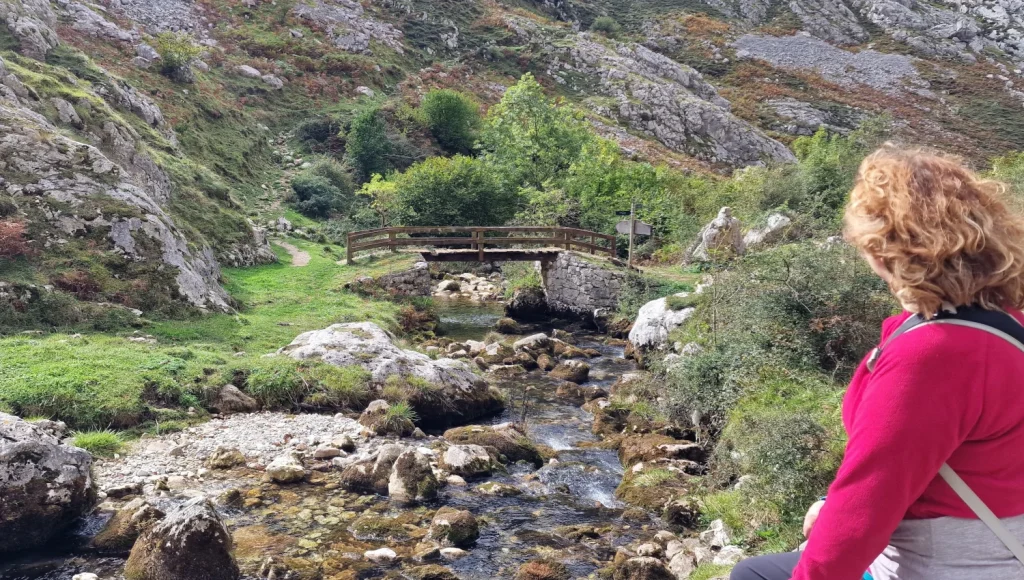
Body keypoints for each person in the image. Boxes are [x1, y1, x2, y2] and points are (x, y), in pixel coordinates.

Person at [731, 147, 1024, 580]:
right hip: (1002, 540)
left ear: (883, 250)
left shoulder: (933, 354)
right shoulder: (1003, 321)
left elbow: (868, 503)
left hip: (950, 562)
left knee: (752, 575)